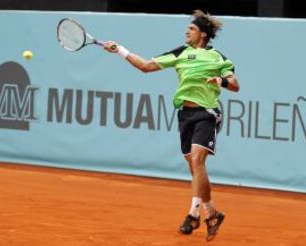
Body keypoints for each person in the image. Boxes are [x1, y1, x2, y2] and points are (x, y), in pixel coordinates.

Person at [103, 10, 240, 241]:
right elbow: (146, 66)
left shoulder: (218, 58)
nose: (187, 31)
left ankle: (197, 214)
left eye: (192, 29)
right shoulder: (180, 53)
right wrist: (120, 50)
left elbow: (235, 84)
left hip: (207, 113)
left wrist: (222, 80)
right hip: (185, 115)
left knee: (197, 160)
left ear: (203, 35)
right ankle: (206, 213)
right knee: (194, 166)